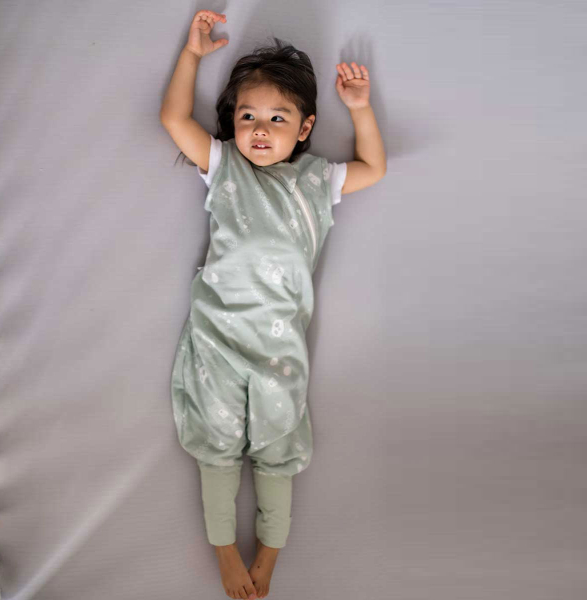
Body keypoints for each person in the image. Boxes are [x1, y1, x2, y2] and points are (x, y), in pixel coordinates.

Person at [160, 9, 386, 600]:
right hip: (217, 337)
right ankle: (224, 551)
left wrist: (360, 108)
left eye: (277, 118)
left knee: (278, 450)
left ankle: (270, 556)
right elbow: (174, 119)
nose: (259, 129)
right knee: (215, 447)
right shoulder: (224, 168)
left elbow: (374, 168)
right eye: (248, 116)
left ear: (305, 126)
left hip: (279, 346)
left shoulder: (317, 180)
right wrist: (192, 56)